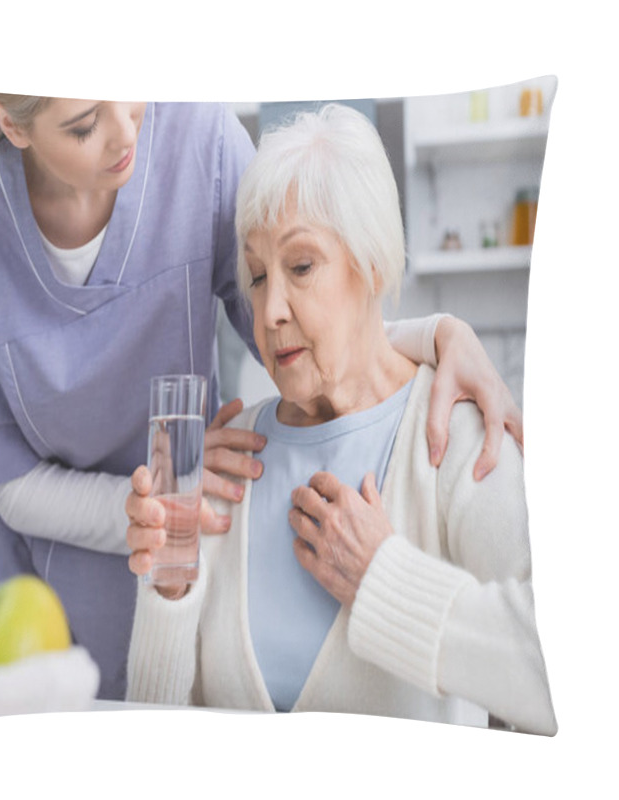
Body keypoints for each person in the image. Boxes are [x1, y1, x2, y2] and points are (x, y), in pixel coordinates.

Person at [0, 94, 524, 701]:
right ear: (12, 125)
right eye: (85, 126)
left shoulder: (202, 143)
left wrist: (437, 336)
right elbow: (298, 309)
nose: (123, 133)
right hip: (54, 599)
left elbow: (309, 324)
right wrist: (168, 507)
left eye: (129, 88)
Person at [124, 103, 556, 735]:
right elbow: (151, 727)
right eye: (258, 275)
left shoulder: (456, 433)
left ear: (373, 263)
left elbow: (561, 673)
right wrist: (167, 592)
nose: (269, 311)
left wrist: (382, 578)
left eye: (301, 267)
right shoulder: (229, 454)